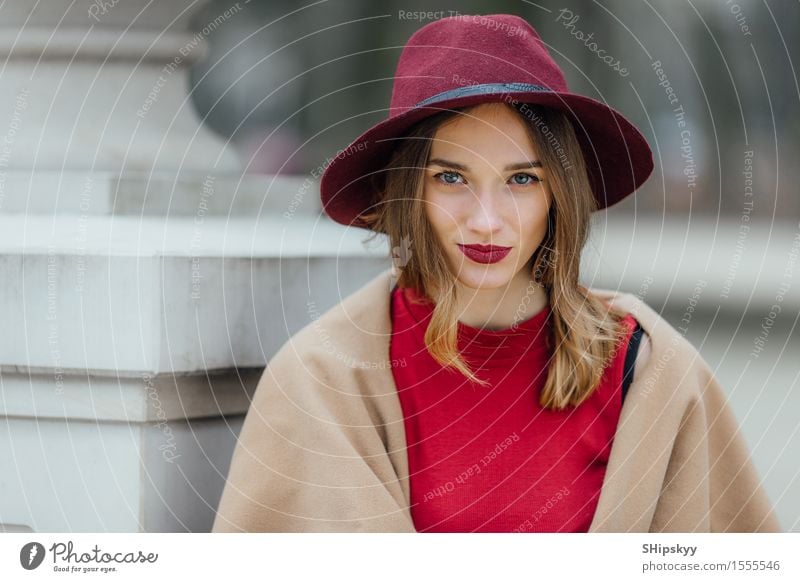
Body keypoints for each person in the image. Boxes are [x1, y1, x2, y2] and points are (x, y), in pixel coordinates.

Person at [212, 13, 780, 533]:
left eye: (522, 179)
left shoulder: (650, 370)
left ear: (560, 193)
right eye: (451, 178)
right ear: (408, 192)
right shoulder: (322, 378)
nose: (487, 221)